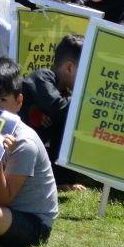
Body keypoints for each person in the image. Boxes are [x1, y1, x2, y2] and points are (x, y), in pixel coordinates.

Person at [0, 58, 58, 247]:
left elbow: (3, 199)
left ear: (19, 102)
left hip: (32, 223)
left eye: (1, 100)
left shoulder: (24, 142)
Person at [19, 34, 86, 190]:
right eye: (86, 71)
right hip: (19, 155)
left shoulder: (67, 94)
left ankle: (61, 180)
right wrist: (85, 97)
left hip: (39, 160)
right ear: (69, 67)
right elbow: (58, 109)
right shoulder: (41, 77)